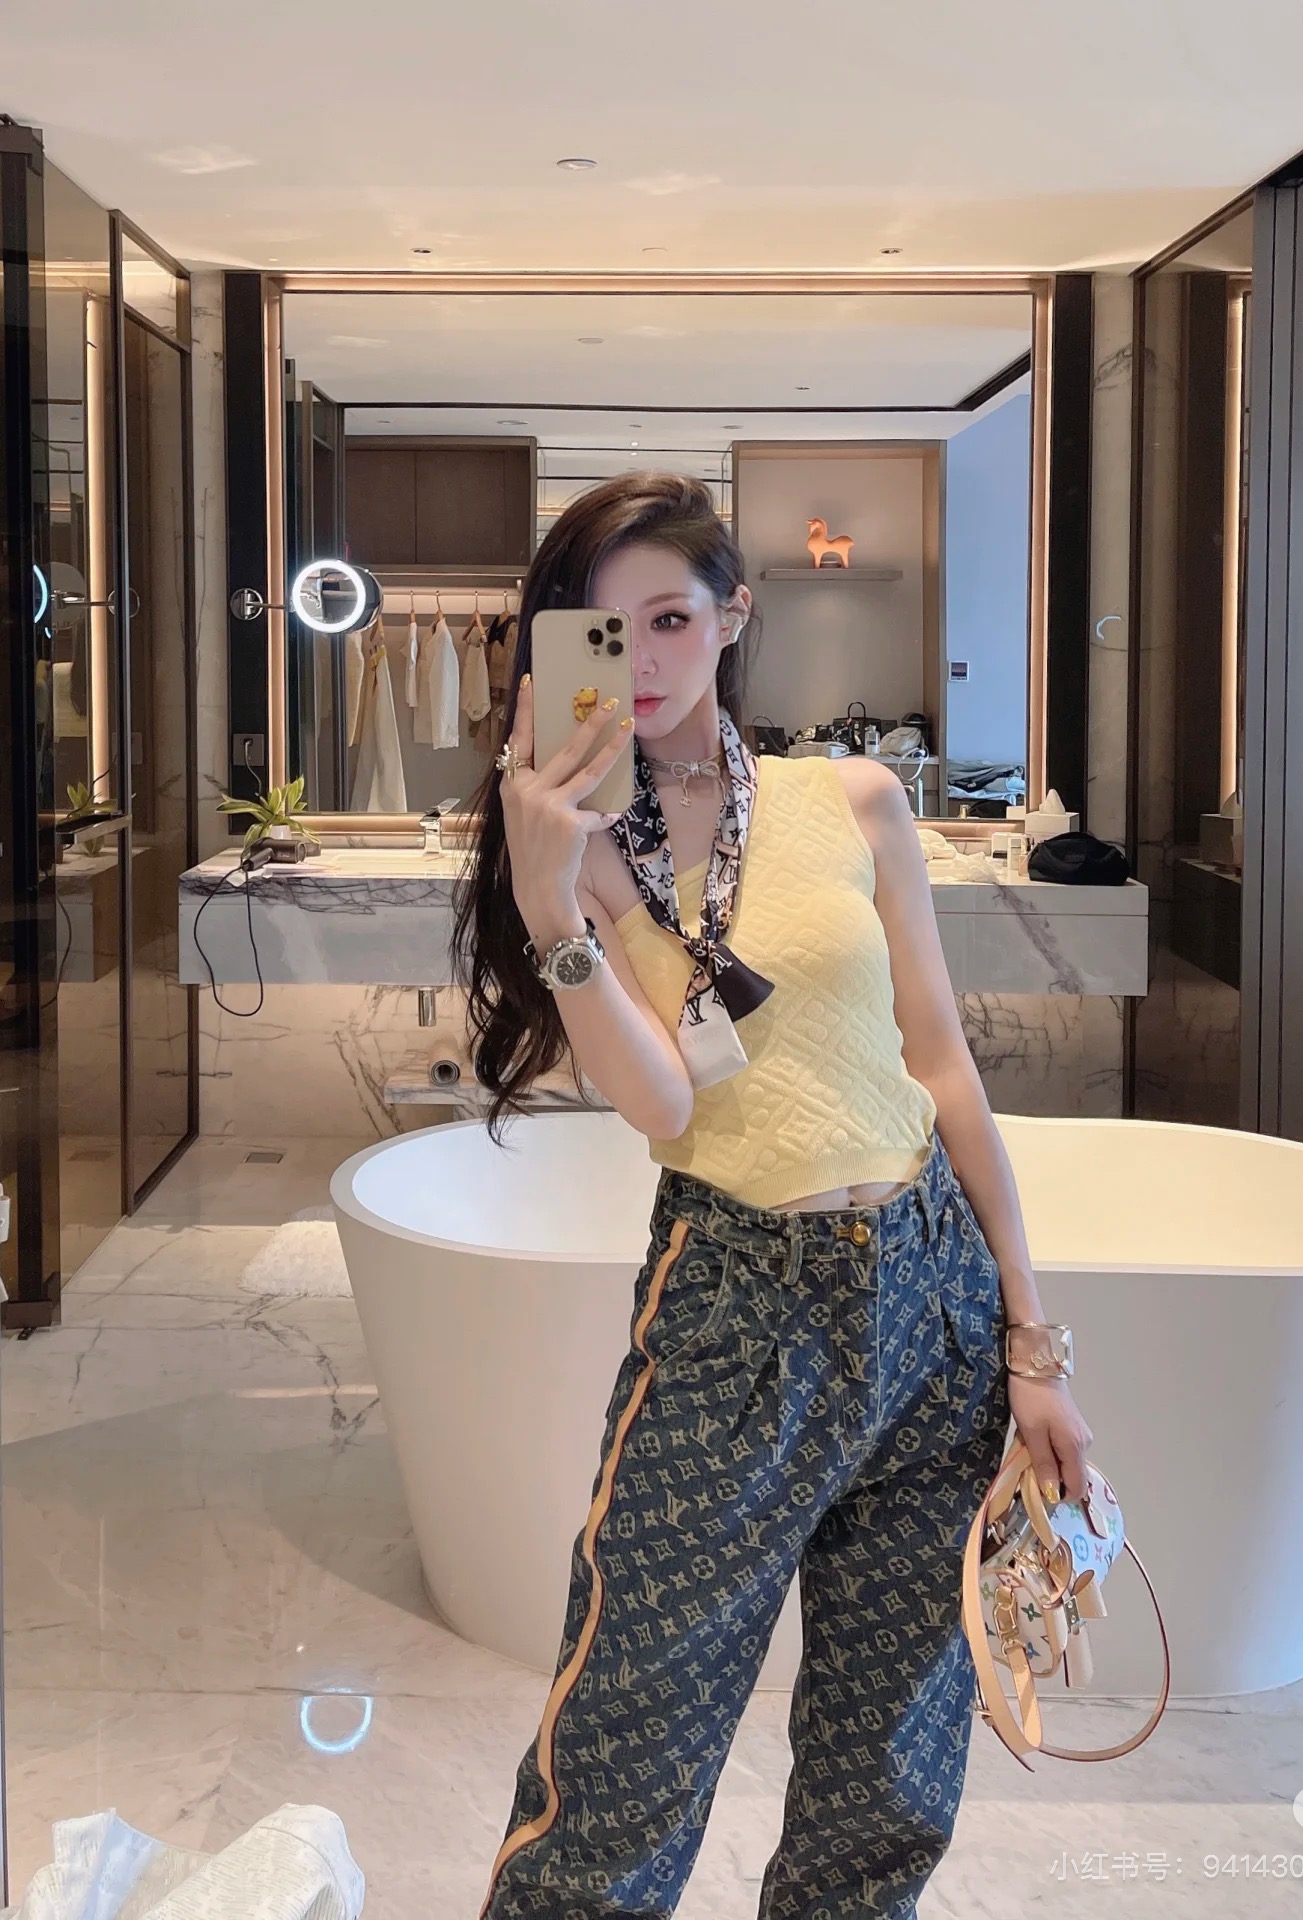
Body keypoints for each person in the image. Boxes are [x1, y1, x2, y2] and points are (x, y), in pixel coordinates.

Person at [451, 472, 1094, 1920]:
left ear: (735, 617)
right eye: (600, 629)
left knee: (892, 1759)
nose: (641, 660)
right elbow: (664, 1104)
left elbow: (942, 1066)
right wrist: (553, 902)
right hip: (737, 1304)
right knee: (629, 1737)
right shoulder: (580, 842)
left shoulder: (853, 801)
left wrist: (1033, 1341)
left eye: (671, 620)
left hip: (932, 1296)